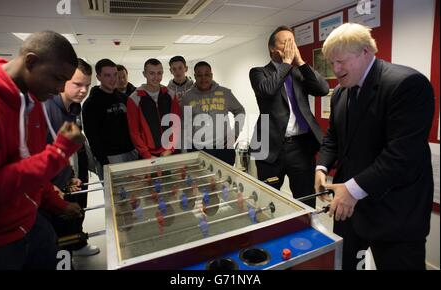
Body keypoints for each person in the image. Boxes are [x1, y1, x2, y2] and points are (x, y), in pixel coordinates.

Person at [315, 23, 434, 270]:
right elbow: (333, 139)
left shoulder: (407, 84)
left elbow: (402, 155)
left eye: (341, 61)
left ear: (366, 52)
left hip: (395, 214)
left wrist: (352, 189)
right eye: (331, 63)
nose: (335, 70)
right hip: (350, 212)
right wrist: (322, 168)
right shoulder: (340, 94)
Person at [0, 31, 83, 269]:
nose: (61, 87)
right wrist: (60, 152)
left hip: (32, 223)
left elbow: (32, 165)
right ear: (31, 62)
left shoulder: (33, 101)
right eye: (57, 78)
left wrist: (57, 204)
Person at [249, 26, 329, 207]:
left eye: (292, 42)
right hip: (270, 148)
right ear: (272, 48)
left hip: (300, 148)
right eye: (285, 42)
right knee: (268, 200)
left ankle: (305, 231)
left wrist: (299, 61)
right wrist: (286, 63)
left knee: (305, 199)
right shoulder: (258, 72)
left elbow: (323, 89)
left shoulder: (299, 72)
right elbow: (267, 91)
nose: (290, 46)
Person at [44, 58, 100, 257]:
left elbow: (65, 152)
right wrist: (50, 186)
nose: (83, 90)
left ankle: (75, 247)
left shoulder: (74, 108)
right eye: (77, 84)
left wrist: (69, 176)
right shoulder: (47, 108)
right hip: (46, 193)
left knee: (68, 230)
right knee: (54, 244)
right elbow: (36, 156)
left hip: (64, 184)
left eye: (87, 85)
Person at [82, 59, 138, 179]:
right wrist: (104, 162)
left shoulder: (124, 99)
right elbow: (92, 136)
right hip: (110, 158)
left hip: (131, 153)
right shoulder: (91, 103)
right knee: (116, 196)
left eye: (115, 74)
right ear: (99, 77)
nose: (113, 79)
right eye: (107, 75)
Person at [183, 61, 245, 165]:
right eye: (199, 75)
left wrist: (235, 135)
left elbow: (240, 111)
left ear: (211, 75)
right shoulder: (187, 97)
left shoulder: (225, 93)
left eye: (207, 74)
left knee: (226, 180)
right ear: (195, 76)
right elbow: (184, 123)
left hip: (224, 150)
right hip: (198, 150)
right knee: (201, 180)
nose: (203, 78)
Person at [127, 58, 181, 159]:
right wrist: (147, 155)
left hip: (170, 152)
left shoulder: (170, 95)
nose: (156, 77)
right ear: (144, 74)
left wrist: (170, 148)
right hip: (147, 155)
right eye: (152, 73)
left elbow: (176, 124)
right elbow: (134, 131)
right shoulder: (134, 98)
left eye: (159, 73)